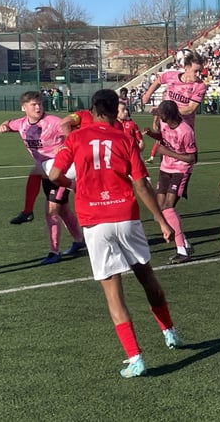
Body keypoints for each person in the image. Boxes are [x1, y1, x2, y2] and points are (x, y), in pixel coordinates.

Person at [48, 88, 182, 379]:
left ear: (93, 109)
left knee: (113, 293)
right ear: (114, 109)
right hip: (125, 216)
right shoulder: (125, 139)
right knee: (146, 276)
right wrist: (162, 221)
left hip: (95, 220)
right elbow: (142, 185)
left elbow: (54, 175)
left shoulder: (75, 137)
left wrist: (76, 187)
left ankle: (135, 357)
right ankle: (169, 331)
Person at [0, 91, 85, 264]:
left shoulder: (53, 123)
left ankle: (54, 251)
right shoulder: (21, 124)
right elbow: (9, 124)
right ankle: (78, 240)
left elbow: (76, 134)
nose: (38, 107)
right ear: (24, 108)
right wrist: (3, 126)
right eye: (33, 105)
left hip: (60, 171)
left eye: (40, 104)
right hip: (46, 173)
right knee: (63, 210)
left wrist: (66, 146)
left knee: (51, 211)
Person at [143, 100, 197, 264]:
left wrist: (168, 153)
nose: (159, 116)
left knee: (168, 207)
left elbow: (193, 158)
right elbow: (164, 137)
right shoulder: (164, 123)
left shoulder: (186, 131)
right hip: (166, 168)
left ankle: (182, 250)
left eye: (161, 114)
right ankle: (185, 244)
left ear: (169, 115)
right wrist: (152, 134)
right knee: (159, 209)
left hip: (181, 170)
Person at [142, 51, 208, 163]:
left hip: (183, 129)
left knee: (183, 162)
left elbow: (190, 109)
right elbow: (159, 80)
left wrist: (165, 112)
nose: (198, 75)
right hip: (166, 126)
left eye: (200, 71)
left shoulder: (199, 86)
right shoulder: (172, 76)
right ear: (186, 68)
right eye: (195, 71)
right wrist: (147, 94)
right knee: (165, 163)